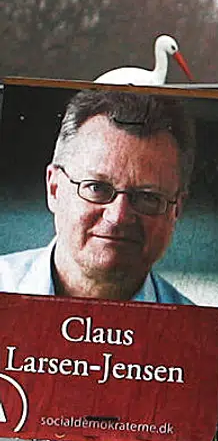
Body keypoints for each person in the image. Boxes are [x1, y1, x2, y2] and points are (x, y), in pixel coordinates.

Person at [0, 88, 195, 303]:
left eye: (148, 197)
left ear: (176, 209)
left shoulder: (201, 333)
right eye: (97, 188)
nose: (118, 216)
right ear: (54, 188)